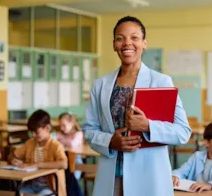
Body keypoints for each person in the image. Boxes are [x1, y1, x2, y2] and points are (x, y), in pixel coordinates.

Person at [82, 16, 191, 196]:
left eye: (134, 38)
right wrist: (110, 141)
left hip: (149, 177)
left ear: (144, 43)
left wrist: (147, 126)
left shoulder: (161, 81)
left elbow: (183, 132)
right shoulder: (100, 85)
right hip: (112, 177)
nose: (127, 43)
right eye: (120, 38)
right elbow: (89, 130)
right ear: (114, 45)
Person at [8, 110, 67, 196]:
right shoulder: (30, 143)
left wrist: (36, 164)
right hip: (31, 185)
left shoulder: (55, 146)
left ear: (47, 128)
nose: (33, 135)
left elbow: (64, 164)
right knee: (17, 193)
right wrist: (13, 160)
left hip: (50, 187)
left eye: (36, 132)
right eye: (31, 132)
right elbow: (12, 155)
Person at [57, 112, 84, 180]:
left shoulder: (78, 134)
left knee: (73, 178)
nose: (61, 128)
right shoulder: (61, 134)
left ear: (72, 123)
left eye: (64, 125)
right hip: (63, 159)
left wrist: (62, 141)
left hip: (76, 161)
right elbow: (55, 142)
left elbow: (72, 144)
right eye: (60, 126)